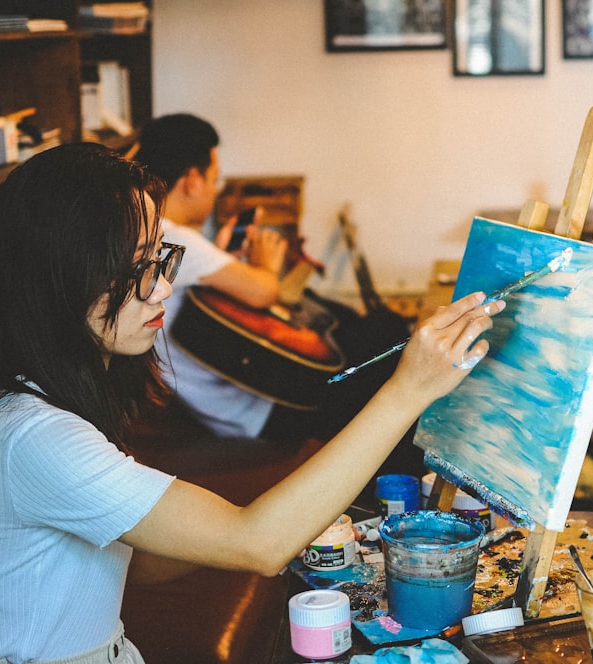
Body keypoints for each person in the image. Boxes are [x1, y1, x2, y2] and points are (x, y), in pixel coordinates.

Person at [0, 142, 504, 663]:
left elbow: (136, 560)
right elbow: (255, 544)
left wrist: (292, 522)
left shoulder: (49, 402)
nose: (162, 288)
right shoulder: (35, 435)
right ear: (63, 278)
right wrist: (409, 389)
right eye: (138, 267)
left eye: (160, 259)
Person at [133, 114, 414, 466]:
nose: (215, 190)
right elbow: (264, 292)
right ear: (191, 180)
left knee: (373, 334)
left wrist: (228, 259)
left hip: (245, 394)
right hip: (260, 411)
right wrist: (265, 264)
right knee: (388, 342)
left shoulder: (148, 233)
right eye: (214, 180)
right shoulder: (171, 236)